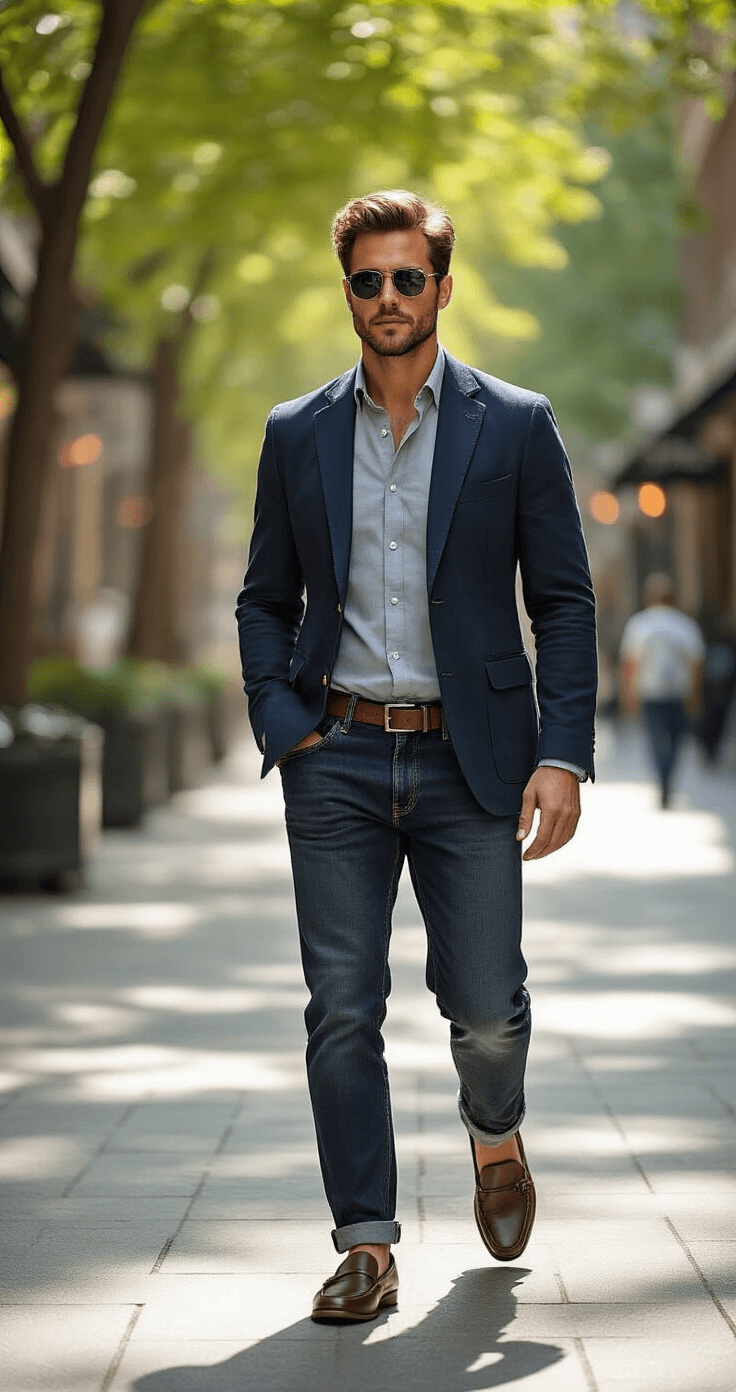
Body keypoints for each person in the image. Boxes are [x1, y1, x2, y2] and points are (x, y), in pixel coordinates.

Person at [236, 190, 597, 1322]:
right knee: (342, 1008)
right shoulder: (296, 430)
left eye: (406, 278)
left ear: (441, 286)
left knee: (485, 1008)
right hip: (336, 755)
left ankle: (495, 1130)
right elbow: (263, 597)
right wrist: (283, 724)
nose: (387, 297)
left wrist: (562, 754)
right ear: (346, 292)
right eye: (367, 280)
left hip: (471, 761)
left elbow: (563, 601)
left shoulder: (515, 422)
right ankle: (365, 1244)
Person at [619, 573, 705, 808]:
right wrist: (695, 695)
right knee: (677, 740)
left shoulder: (639, 624)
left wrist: (629, 694)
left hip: (650, 692)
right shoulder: (684, 624)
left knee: (657, 740)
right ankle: (667, 780)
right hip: (678, 692)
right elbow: (696, 663)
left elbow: (630, 663)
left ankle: (663, 780)